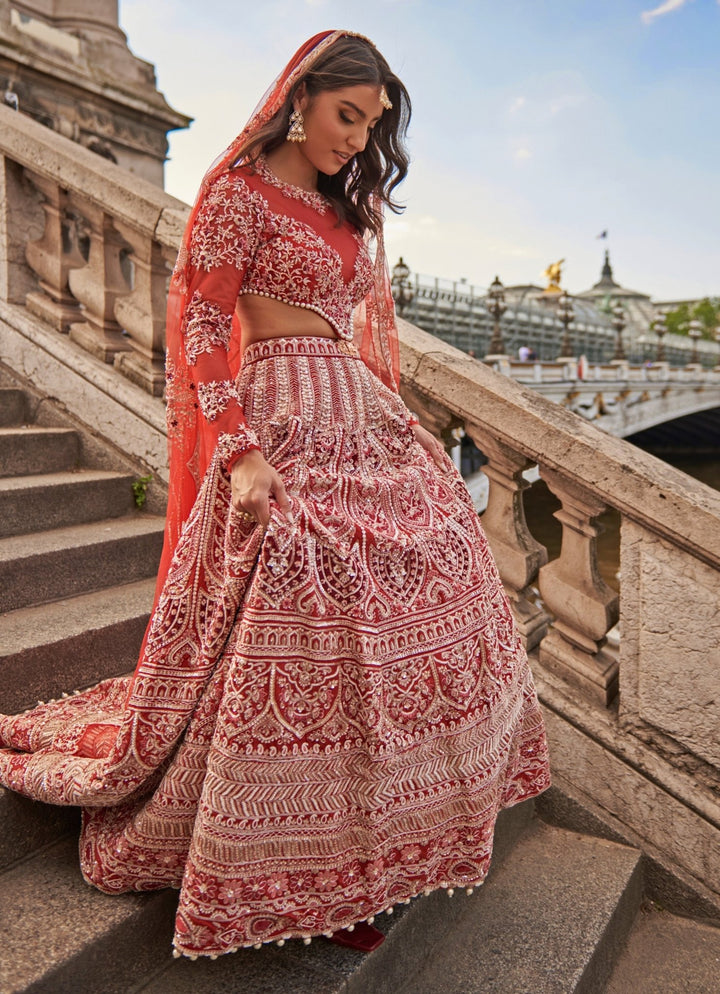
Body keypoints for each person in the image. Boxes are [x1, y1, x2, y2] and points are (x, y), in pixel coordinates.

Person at [0, 30, 550, 960]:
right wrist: (241, 452)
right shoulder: (237, 194)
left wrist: (403, 419)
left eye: (371, 125)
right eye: (347, 116)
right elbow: (203, 326)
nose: (357, 138)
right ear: (301, 99)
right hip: (278, 413)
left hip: (357, 409)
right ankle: (291, 864)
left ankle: (390, 835)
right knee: (311, 623)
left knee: (448, 583)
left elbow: (355, 334)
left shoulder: (347, 209)